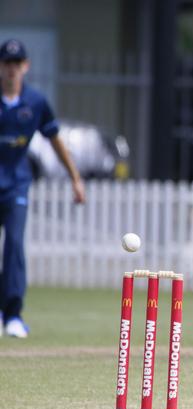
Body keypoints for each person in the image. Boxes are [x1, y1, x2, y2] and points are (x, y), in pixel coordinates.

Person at [0, 39, 86, 338]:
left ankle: (12, 315)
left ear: (25, 66)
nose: (11, 69)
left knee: (14, 244)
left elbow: (55, 140)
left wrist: (75, 177)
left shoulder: (35, 102)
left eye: (16, 63)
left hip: (16, 185)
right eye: (6, 63)